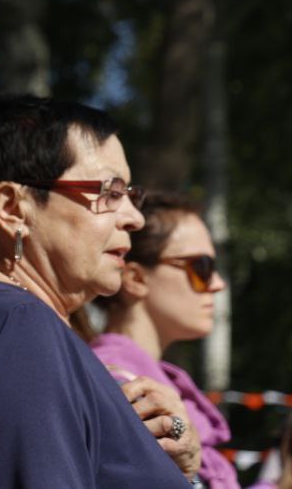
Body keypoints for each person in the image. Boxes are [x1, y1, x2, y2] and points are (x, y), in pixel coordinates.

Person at [0, 94, 200, 488]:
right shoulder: (14, 326)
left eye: (131, 196)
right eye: (110, 193)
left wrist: (171, 461)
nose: (134, 218)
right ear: (13, 208)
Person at [89, 191, 239, 488]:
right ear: (135, 279)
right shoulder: (122, 385)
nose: (218, 284)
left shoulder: (161, 384)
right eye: (202, 268)